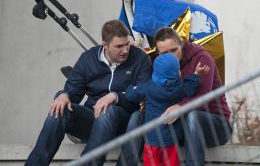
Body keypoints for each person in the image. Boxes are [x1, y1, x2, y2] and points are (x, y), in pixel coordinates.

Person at [25, 20, 152, 166]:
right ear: (105, 44)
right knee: (59, 109)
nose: (125, 50)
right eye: (119, 46)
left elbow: (142, 94)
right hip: (93, 120)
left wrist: (115, 97)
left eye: (127, 44)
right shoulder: (88, 58)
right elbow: (72, 91)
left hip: (123, 121)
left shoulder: (140, 59)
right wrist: (63, 95)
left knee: (108, 110)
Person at [118, 27, 232, 166]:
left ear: (181, 43)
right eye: (165, 53)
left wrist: (180, 107)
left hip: (214, 124)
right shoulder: (161, 65)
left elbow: (204, 99)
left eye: (174, 50)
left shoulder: (202, 58)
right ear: (158, 53)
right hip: (178, 126)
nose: (171, 56)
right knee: (138, 116)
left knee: (193, 116)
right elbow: (156, 92)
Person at [125, 53, 209, 166]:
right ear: (176, 73)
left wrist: (129, 87)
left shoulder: (148, 87)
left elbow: (131, 95)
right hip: (171, 140)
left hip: (152, 139)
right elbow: (191, 88)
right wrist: (196, 74)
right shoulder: (179, 87)